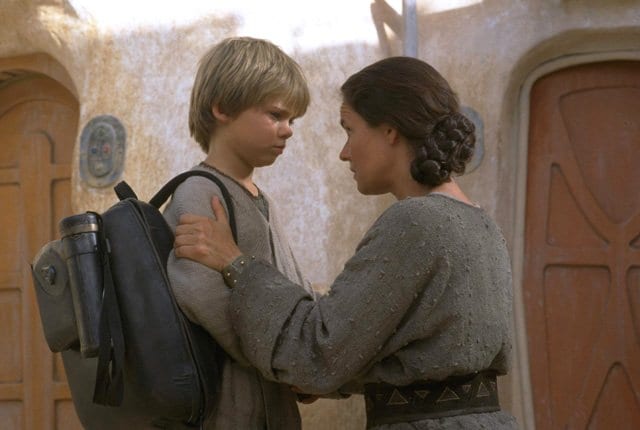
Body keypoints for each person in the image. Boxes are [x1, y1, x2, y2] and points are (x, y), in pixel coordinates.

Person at [174, 56, 518, 429]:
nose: (344, 152)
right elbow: (392, 349)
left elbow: (319, 350)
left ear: (389, 131)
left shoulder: (415, 222)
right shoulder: (483, 224)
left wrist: (236, 263)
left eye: (350, 130)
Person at [163, 36, 313, 429]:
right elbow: (201, 294)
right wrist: (284, 359)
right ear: (223, 108)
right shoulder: (200, 192)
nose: (288, 130)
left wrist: (309, 355)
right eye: (276, 115)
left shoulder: (263, 200)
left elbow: (289, 289)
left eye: (293, 120)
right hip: (228, 409)